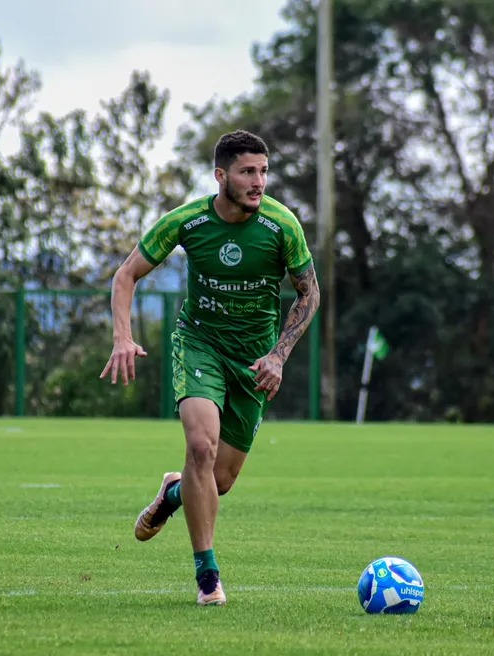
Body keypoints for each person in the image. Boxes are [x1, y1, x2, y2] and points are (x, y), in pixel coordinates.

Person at [99, 129, 320, 606]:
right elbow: (126, 274)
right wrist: (123, 336)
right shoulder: (188, 221)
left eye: (263, 170)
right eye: (247, 172)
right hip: (199, 344)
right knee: (200, 448)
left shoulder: (283, 225)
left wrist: (278, 355)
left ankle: (171, 494)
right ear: (221, 176)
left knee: (217, 482)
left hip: (254, 361)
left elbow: (310, 293)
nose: (258, 181)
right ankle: (208, 579)